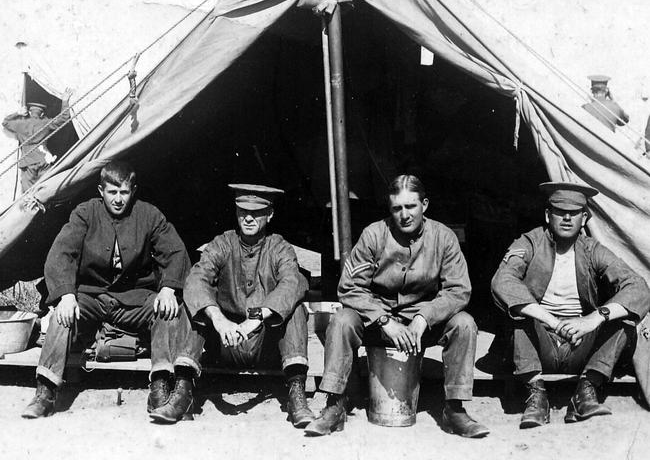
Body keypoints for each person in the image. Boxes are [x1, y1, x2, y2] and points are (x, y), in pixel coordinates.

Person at [305, 175, 489, 438]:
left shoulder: (443, 237)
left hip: (423, 325)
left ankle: (455, 409)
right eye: (397, 208)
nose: (404, 215)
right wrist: (383, 320)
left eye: (410, 207)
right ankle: (334, 406)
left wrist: (424, 317)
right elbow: (349, 287)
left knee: (464, 323)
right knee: (342, 320)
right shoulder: (373, 235)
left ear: (424, 204)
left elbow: (459, 290)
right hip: (376, 321)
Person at [22, 160, 200, 420]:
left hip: (134, 299)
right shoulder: (84, 214)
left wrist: (169, 289)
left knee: (168, 311)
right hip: (90, 297)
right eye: (112, 192)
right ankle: (45, 392)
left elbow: (175, 252)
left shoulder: (149, 215)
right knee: (62, 313)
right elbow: (61, 253)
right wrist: (66, 295)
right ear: (100, 190)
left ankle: (160, 386)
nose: (118, 199)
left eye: (124, 192)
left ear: (133, 190)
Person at [152, 183, 314, 427]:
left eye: (257, 212)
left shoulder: (279, 247)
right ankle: (183, 392)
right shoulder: (222, 243)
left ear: (270, 215)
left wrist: (254, 320)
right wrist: (218, 319)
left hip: (265, 344)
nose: (248, 217)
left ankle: (296, 394)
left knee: (296, 309)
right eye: (242, 211)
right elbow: (197, 279)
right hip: (224, 342)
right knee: (195, 306)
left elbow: (292, 283)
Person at [491, 182, 650, 428]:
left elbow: (638, 287)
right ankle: (536, 395)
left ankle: (586, 392)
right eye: (559, 211)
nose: (567, 218)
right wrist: (551, 321)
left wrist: (592, 320)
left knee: (625, 319)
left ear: (584, 218)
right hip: (539, 341)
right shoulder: (530, 242)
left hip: (580, 343)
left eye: (574, 213)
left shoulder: (592, 249)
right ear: (547, 215)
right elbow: (502, 281)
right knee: (519, 316)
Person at [2, 88, 74, 191]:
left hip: (28, 162)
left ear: (30, 113)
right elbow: (64, 118)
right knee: (44, 190)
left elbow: (5, 122)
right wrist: (65, 101)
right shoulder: (45, 123)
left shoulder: (21, 125)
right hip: (44, 161)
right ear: (42, 114)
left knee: (28, 194)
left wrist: (18, 113)